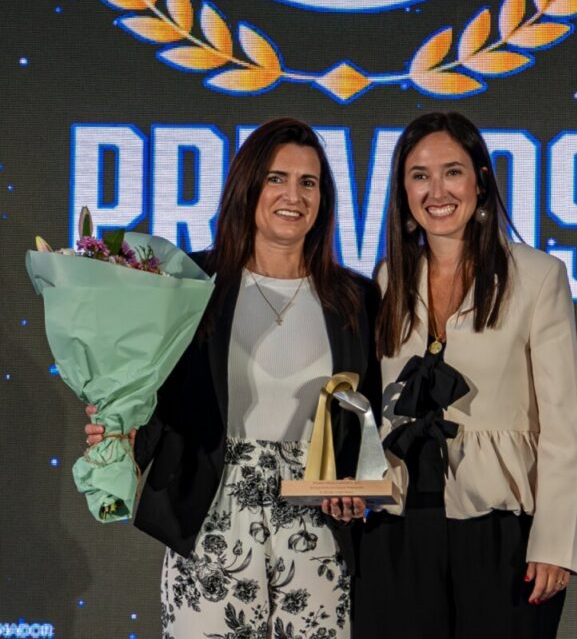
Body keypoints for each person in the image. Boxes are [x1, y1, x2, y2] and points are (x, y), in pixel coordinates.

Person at [85, 117, 380, 639]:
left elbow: (366, 415)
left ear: (324, 198)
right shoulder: (192, 285)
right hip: (212, 514)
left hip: (314, 523)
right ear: (247, 187)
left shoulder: (355, 298)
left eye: (308, 182)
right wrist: (123, 433)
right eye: (276, 178)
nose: (294, 195)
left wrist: (356, 489)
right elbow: (159, 392)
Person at [352, 111, 577, 639]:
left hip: (500, 533)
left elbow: (564, 425)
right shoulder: (389, 278)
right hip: (399, 528)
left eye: (452, 172)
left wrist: (555, 543)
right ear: (404, 192)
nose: (436, 191)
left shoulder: (537, 277)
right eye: (419, 175)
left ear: (480, 181)